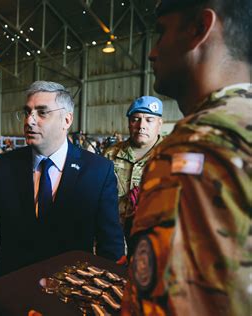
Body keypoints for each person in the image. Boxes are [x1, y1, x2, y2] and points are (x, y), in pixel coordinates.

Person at [0, 81, 124, 308]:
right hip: (10, 294)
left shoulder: (98, 170)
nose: (30, 120)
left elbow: (110, 243)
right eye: (27, 112)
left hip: (69, 299)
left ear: (67, 120)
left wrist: (109, 299)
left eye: (42, 112)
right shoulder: (3, 166)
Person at [122, 0, 251, 315]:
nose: (153, 52)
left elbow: (169, 302)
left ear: (199, 30)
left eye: (162, 32)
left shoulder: (197, 143)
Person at [103, 96, 163, 248]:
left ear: (159, 124)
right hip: (114, 238)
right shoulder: (110, 154)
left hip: (153, 241)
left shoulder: (170, 156)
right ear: (129, 123)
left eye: (149, 120)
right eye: (135, 119)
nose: (141, 125)